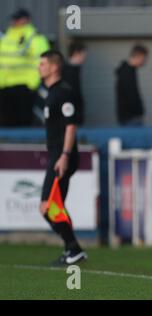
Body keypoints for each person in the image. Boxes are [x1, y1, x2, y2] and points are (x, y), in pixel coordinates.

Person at [38, 50, 87, 265]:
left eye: (43, 64)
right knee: (54, 205)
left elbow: (71, 125)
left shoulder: (63, 93)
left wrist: (65, 155)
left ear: (54, 67)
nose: (39, 67)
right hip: (57, 154)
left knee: (48, 206)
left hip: (62, 156)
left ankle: (73, 248)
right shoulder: (50, 93)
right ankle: (72, 248)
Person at [0, 8, 49, 127]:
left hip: (24, 86)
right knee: (5, 121)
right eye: (14, 19)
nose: (14, 22)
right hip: (4, 86)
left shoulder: (34, 36)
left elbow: (44, 60)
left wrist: (33, 83)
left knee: (23, 120)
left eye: (17, 19)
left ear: (26, 20)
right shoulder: (6, 36)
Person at [115, 44, 149, 126]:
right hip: (130, 118)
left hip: (130, 117)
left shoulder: (130, 71)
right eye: (144, 58)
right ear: (138, 56)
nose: (145, 61)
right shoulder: (127, 73)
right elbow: (131, 95)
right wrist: (139, 111)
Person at [62, 42, 87, 125]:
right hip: (71, 115)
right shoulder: (67, 72)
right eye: (83, 55)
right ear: (76, 53)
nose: (84, 59)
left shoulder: (75, 71)